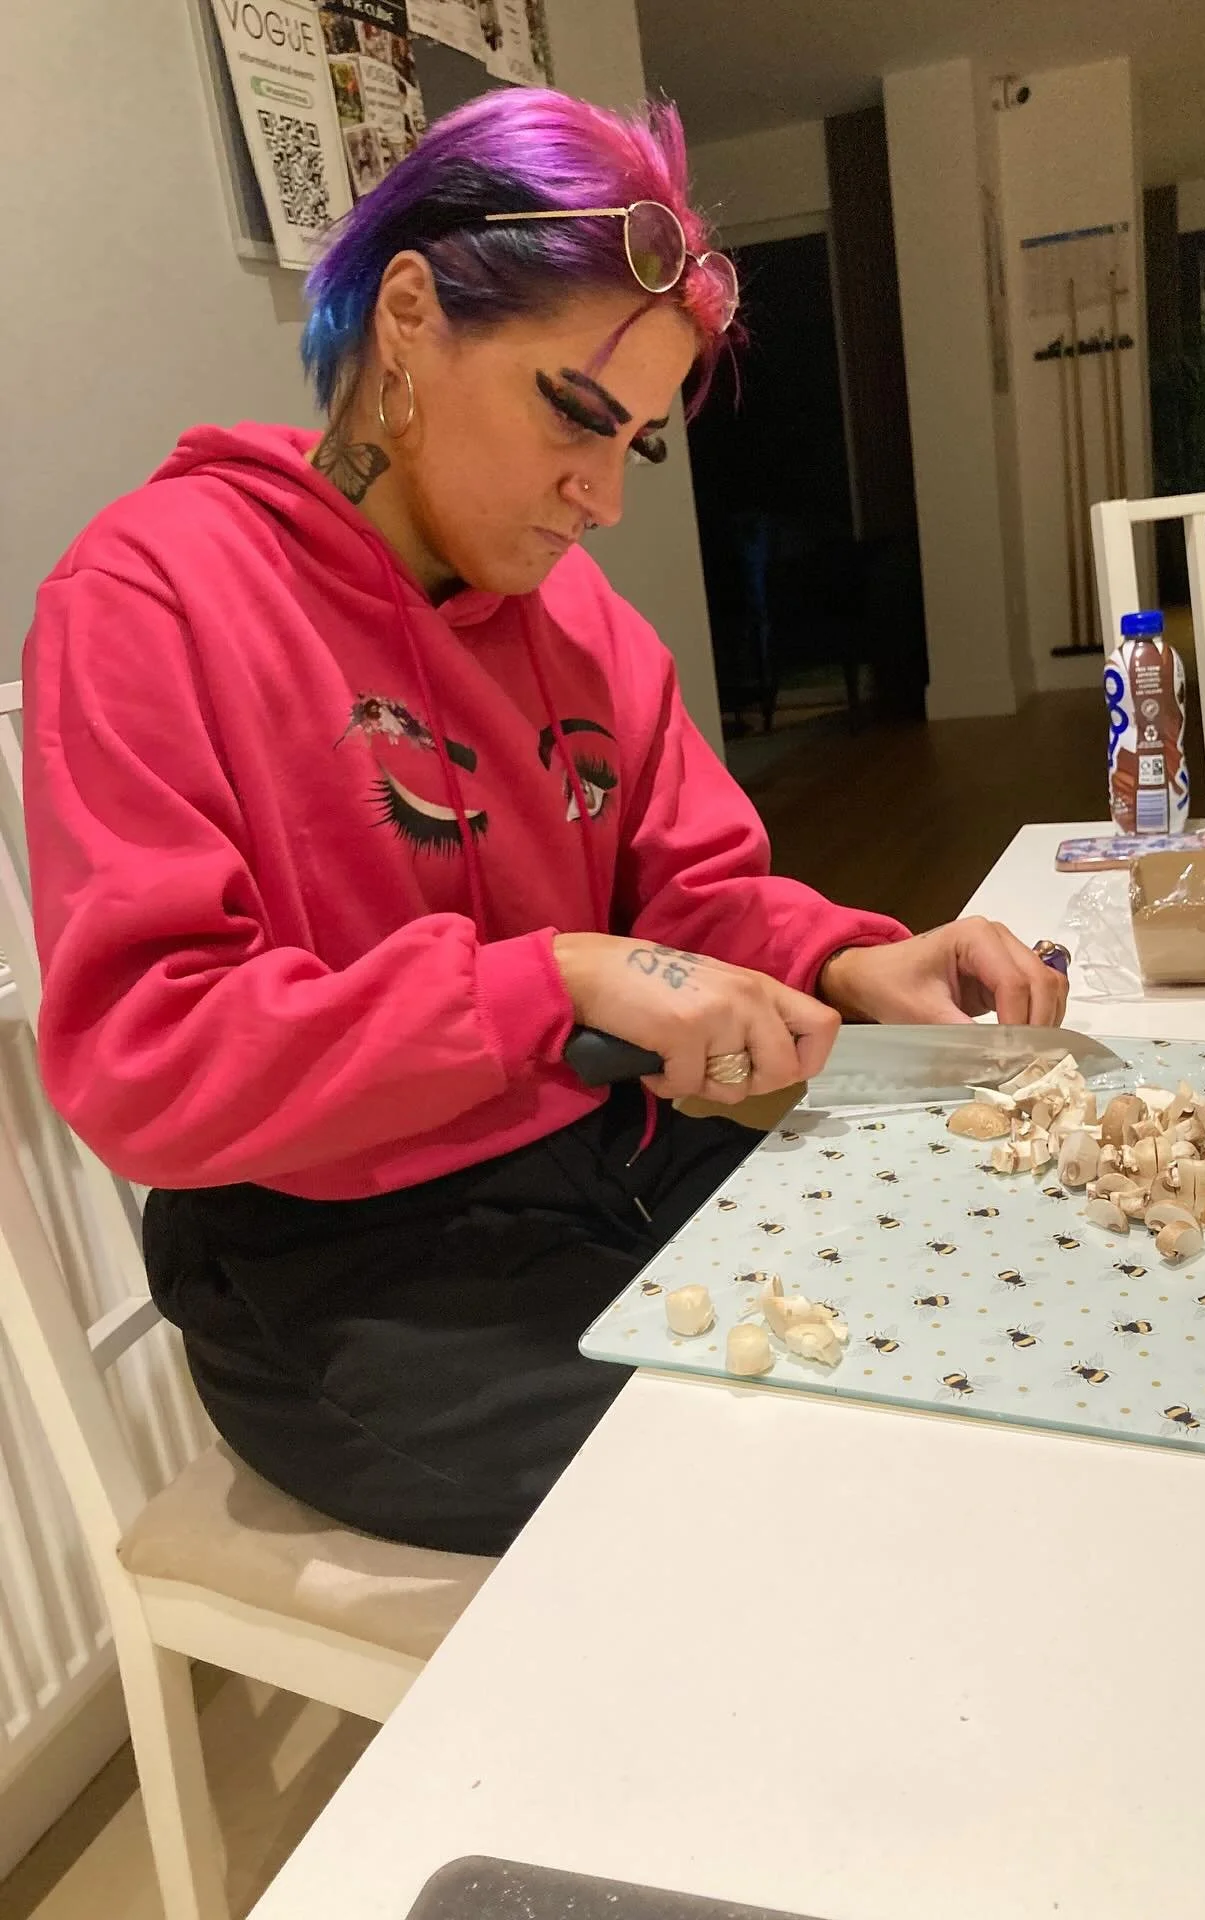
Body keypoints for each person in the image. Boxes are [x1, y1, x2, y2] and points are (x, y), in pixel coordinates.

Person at [23, 90, 1066, 1556]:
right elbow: (147, 1062)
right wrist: (553, 981)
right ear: (407, 318)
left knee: (976, 1303)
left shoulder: (578, 620)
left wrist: (841, 958)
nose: (603, 497)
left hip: (609, 1158)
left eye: (634, 442)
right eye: (575, 413)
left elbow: (693, 901)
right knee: (796, 1491)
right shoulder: (153, 594)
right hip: (335, 1257)